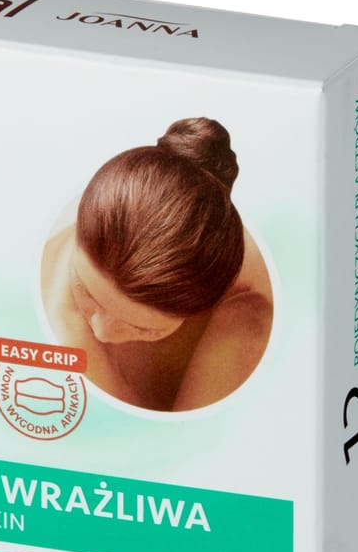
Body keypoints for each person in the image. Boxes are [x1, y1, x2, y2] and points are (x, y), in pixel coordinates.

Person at [41, 118, 272, 411]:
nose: (101, 332)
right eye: (85, 289)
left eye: (143, 328)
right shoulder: (54, 300)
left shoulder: (251, 311)